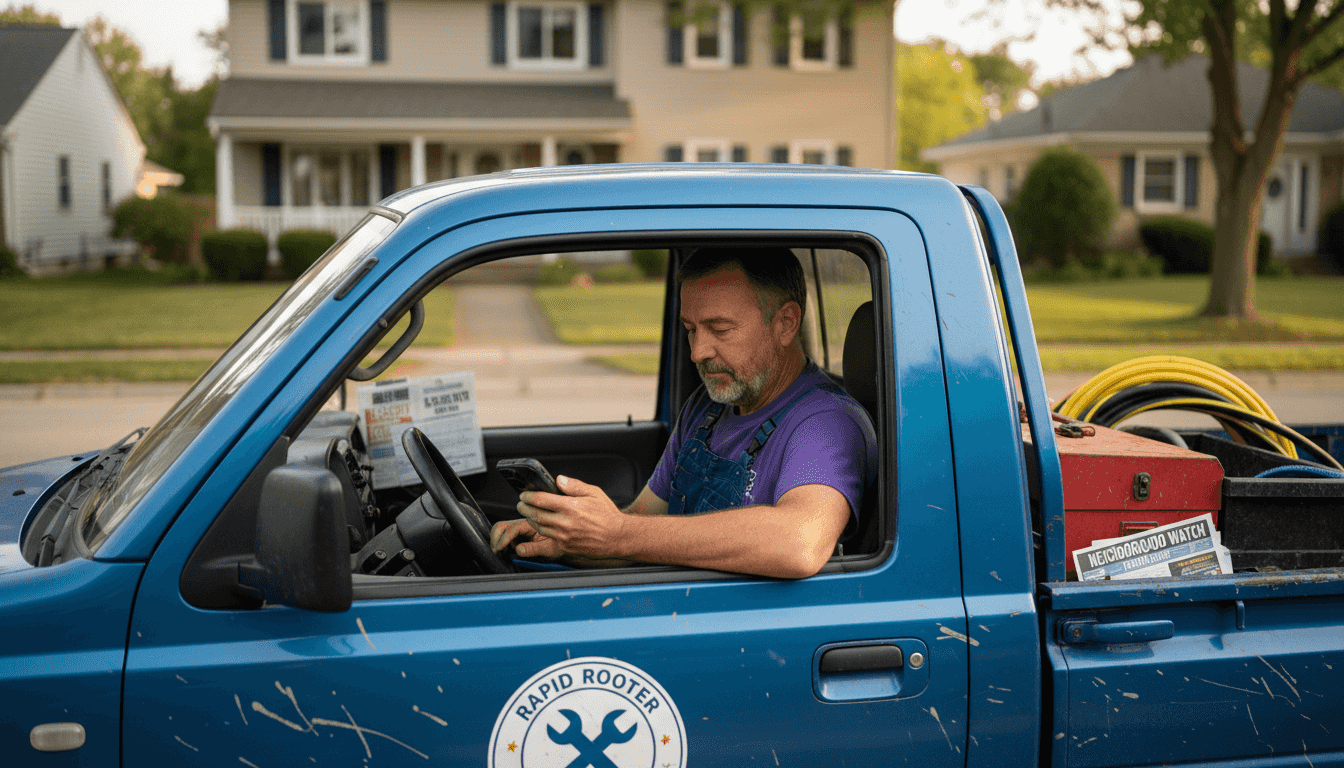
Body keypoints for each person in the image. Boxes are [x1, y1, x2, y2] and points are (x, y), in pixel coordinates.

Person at [489, 247, 877, 578]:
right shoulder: (707, 408)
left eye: (719, 329)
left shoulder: (826, 422)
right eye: (691, 329)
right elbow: (644, 524)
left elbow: (800, 541)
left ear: (785, 324)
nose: (697, 352)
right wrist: (573, 542)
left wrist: (618, 533)